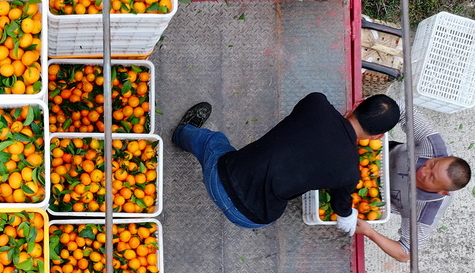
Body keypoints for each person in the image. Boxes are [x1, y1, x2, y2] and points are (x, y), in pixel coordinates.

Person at [172, 93, 401, 232]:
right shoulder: (349, 171)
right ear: (377, 137)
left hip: (221, 177)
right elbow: (342, 207)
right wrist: (348, 217)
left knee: (215, 140)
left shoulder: (316, 102)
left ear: (358, 103)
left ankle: (182, 132)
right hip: (253, 218)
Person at [355, 105, 471, 261]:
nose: (423, 171)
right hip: (370, 151)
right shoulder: (434, 146)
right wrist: (370, 114)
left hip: (366, 193)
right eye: (432, 164)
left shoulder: (427, 211)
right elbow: (402, 107)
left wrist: (369, 232)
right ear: (441, 157)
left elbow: (405, 253)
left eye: (431, 178)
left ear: (442, 192)